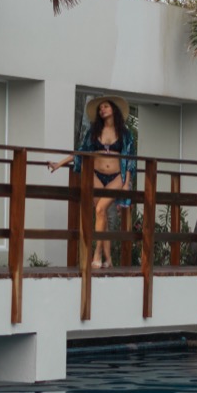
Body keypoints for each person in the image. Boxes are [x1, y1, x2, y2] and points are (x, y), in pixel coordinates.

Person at [48, 95, 136, 269]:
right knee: (101, 215)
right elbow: (81, 152)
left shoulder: (125, 133)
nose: (102, 110)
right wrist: (59, 164)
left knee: (100, 209)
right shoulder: (93, 132)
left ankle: (96, 254)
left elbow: (131, 159)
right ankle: (108, 259)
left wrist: (127, 183)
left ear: (113, 110)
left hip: (117, 177)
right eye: (100, 108)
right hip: (96, 175)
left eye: (105, 107)